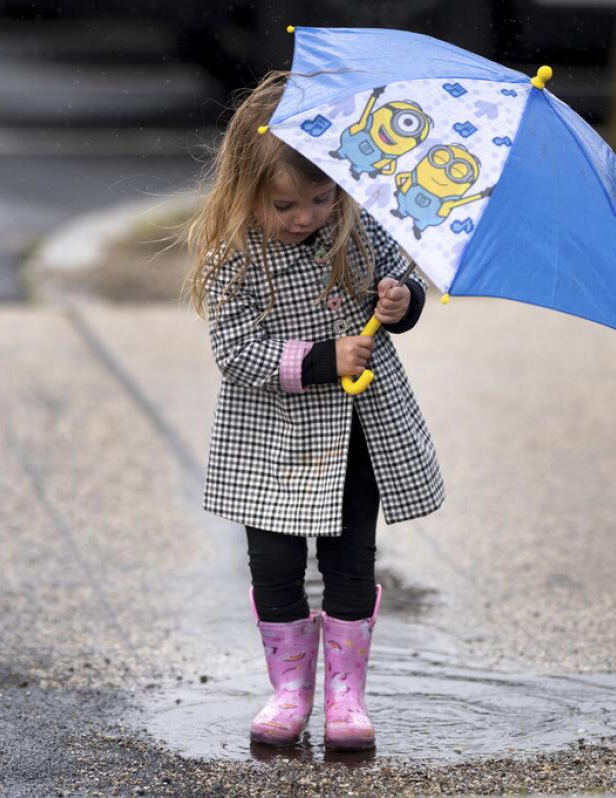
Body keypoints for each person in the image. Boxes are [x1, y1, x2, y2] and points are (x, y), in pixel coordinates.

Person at [183, 71, 445, 751]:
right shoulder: (233, 260)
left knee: (351, 561)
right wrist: (325, 359)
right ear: (247, 193)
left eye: (320, 197)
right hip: (269, 436)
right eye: (285, 204)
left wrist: (399, 302)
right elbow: (235, 351)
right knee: (273, 564)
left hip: (355, 431)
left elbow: (406, 285)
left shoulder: (357, 233)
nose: (306, 217)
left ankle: (345, 697)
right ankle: (290, 689)